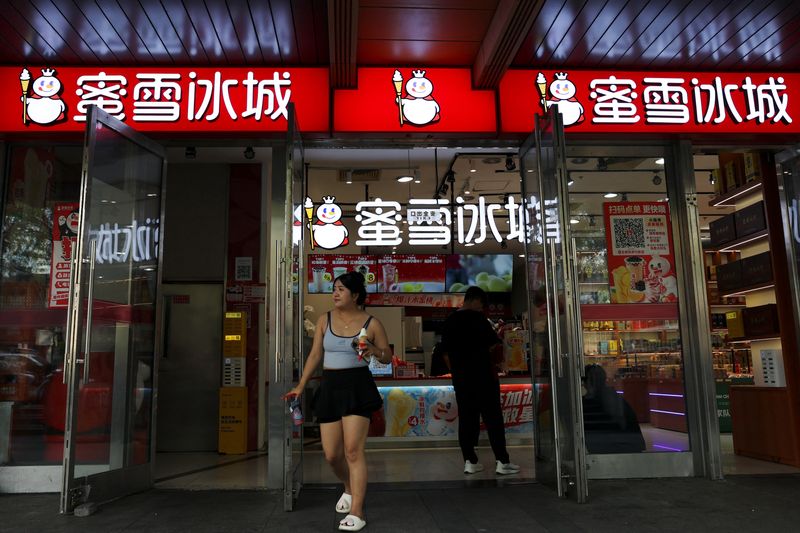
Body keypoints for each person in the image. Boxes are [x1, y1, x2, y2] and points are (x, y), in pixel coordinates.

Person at [284, 271, 392, 532]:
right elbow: (314, 356)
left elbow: (387, 356)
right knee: (332, 455)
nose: (335, 293)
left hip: (357, 386)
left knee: (352, 451)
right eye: (334, 288)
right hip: (330, 386)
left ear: (355, 295)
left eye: (341, 289)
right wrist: (300, 386)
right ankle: (348, 487)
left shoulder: (372, 323)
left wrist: (373, 350)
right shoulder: (324, 320)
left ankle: (357, 511)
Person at [440, 286, 520, 475]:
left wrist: (457, 371)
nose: (482, 308)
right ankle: (502, 461)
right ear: (475, 300)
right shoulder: (479, 320)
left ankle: (470, 461)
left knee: (467, 419)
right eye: (482, 304)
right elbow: (494, 346)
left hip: (462, 380)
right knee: (493, 419)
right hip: (484, 377)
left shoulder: (450, 321)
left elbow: (444, 353)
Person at [582, 364, 646, 454]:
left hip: (608, 451)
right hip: (629, 447)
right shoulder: (615, 399)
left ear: (587, 383)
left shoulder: (588, 404)